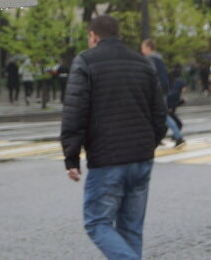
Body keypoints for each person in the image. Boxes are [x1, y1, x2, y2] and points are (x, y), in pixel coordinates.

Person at [61, 15, 167, 260]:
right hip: (141, 159)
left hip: (108, 159)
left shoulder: (86, 61)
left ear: (93, 36)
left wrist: (71, 158)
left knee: (97, 223)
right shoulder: (142, 63)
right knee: (131, 229)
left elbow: (75, 113)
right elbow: (160, 114)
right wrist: (147, 144)